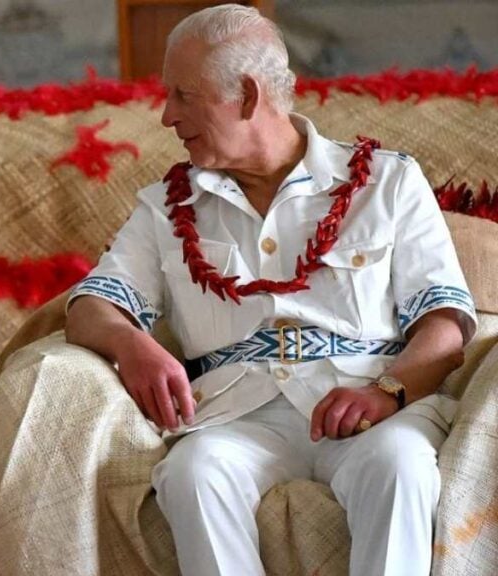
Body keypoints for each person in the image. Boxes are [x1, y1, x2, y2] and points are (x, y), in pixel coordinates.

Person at [65, 5, 475, 575]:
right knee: (193, 472)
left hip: (371, 410)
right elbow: (90, 306)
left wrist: (386, 391)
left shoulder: (388, 182)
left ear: (248, 96)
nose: (165, 116)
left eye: (184, 95)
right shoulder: (166, 208)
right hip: (239, 418)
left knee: (401, 466)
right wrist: (128, 343)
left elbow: (444, 324)